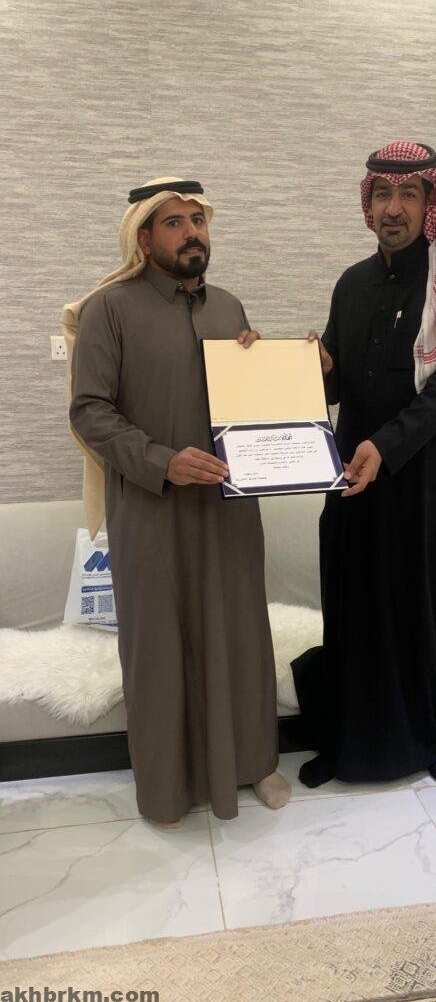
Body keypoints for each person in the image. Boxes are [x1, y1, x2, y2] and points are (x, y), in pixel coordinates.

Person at [64, 176, 291, 827]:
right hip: (152, 511)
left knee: (241, 635)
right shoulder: (109, 310)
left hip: (228, 510)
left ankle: (254, 763)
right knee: (161, 648)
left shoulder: (229, 308)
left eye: (199, 220)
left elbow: (254, 406)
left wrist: (281, 366)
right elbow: (90, 412)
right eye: (175, 222)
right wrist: (163, 461)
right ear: (143, 238)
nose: (193, 233)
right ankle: (168, 790)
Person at [293, 142, 436, 789]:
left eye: (409, 194)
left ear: (431, 204)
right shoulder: (351, 283)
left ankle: (424, 742)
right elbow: (339, 387)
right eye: (383, 195)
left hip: (428, 476)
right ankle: (343, 744)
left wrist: (386, 447)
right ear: (368, 206)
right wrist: (315, 370)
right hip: (353, 476)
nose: (394, 208)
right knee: (352, 599)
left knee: (423, 604)